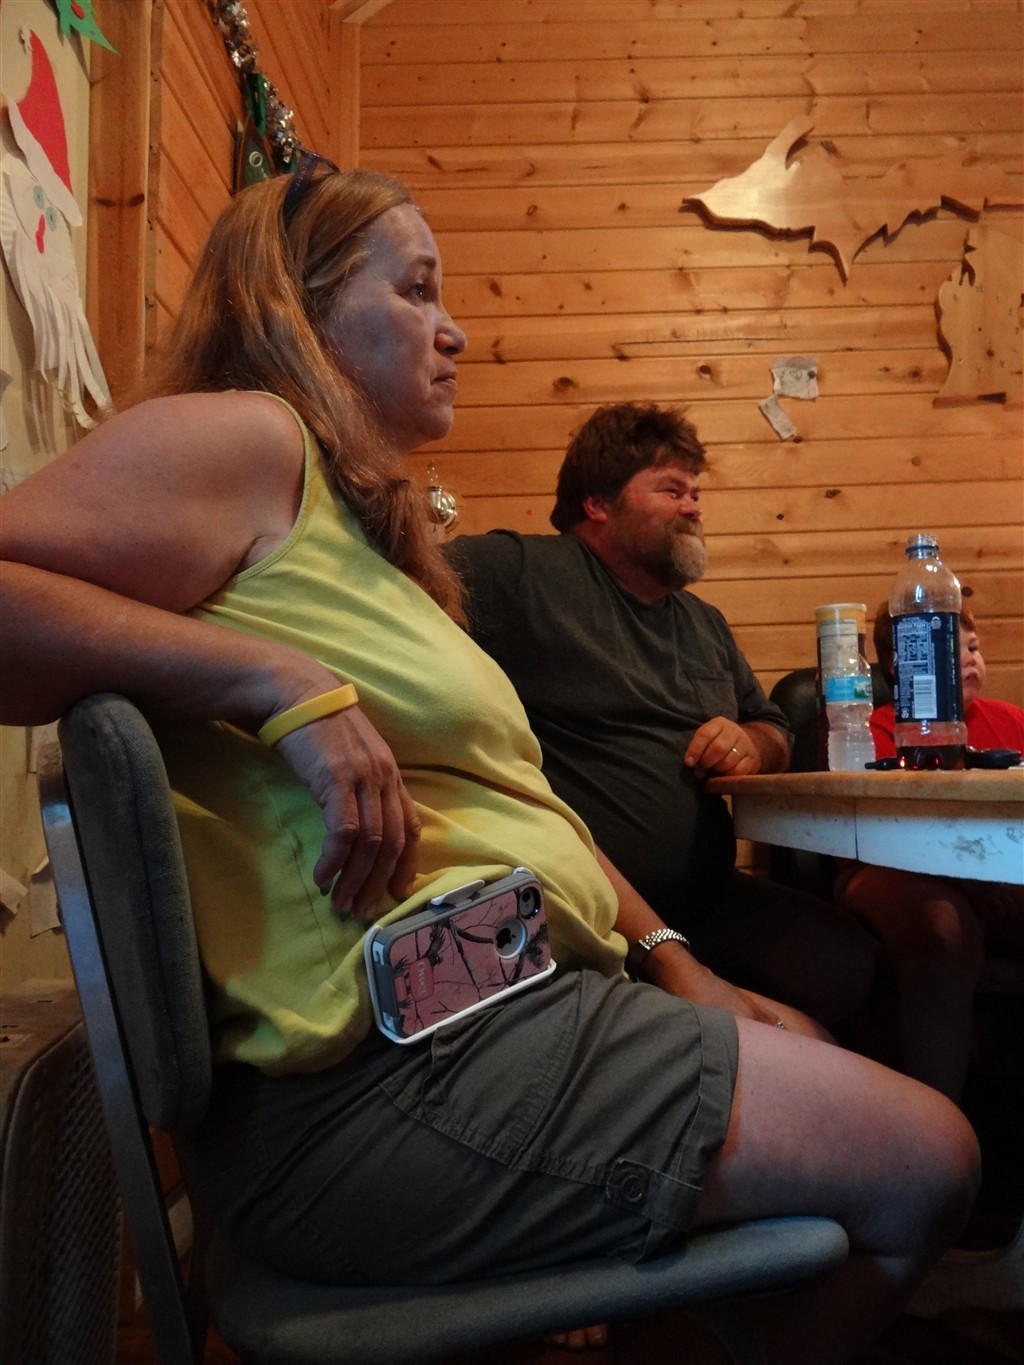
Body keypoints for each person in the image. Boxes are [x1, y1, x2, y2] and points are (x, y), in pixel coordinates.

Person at [0, 160, 980, 1365]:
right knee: (928, 1161)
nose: (454, 330)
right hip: (384, 1079)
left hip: (503, 1000)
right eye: (415, 290)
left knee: (829, 1054)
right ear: (301, 309)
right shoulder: (249, 440)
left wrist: (675, 963)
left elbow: (522, 802)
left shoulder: (373, 546)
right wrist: (267, 680)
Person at [446, 401, 878, 1031]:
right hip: (586, 910)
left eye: (696, 493)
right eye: (672, 490)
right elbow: (400, 584)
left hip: (708, 901)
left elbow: (774, 725)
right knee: (795, 1034)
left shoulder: (704, 623)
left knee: (850, 961)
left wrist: (753, 742)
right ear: (597, 502)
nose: (694, 507)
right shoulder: (522, 572)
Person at [834, 604, 1024, 1102]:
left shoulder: (1009, 721)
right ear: (902, 663)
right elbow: (885, 831)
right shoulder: (879, 728)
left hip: (1006, 869)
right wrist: (972, 883)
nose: (969, 659)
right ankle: (937, 1121)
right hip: (889, 865)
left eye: (974, 648)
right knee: (942, 925)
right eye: (949, 650)